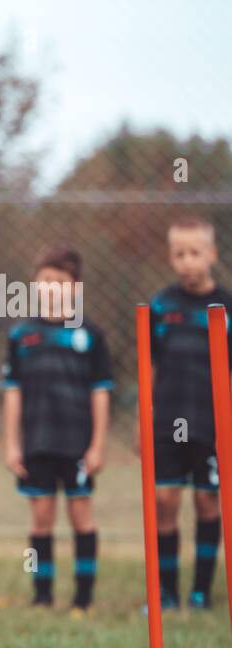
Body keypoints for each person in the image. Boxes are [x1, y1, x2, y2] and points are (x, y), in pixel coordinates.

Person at [2, 245, 111, 613]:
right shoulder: (22, 335)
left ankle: (84, 597)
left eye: (59, 282)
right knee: (41, 518)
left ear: (75, 288)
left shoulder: (90, 335)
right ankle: (42, 594)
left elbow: (100, 393)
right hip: (37, 442)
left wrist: (97, 445)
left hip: (77, 444)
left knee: (81, 515)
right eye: (44, 281)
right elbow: (12, 393)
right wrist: (11, 444)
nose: (51, 288)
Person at [148, 216, 232, 610]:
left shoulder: (226, 307)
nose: (187, 261)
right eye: (179, 254)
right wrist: (142, 423)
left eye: (195, 252)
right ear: (170, 257)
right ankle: (166, 592)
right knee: (165, 500)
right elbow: (149, 366)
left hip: (211, 423)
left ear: (212, 255)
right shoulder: (161, 306)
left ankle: (200, 592)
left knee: (207, 503)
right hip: (167, 420)